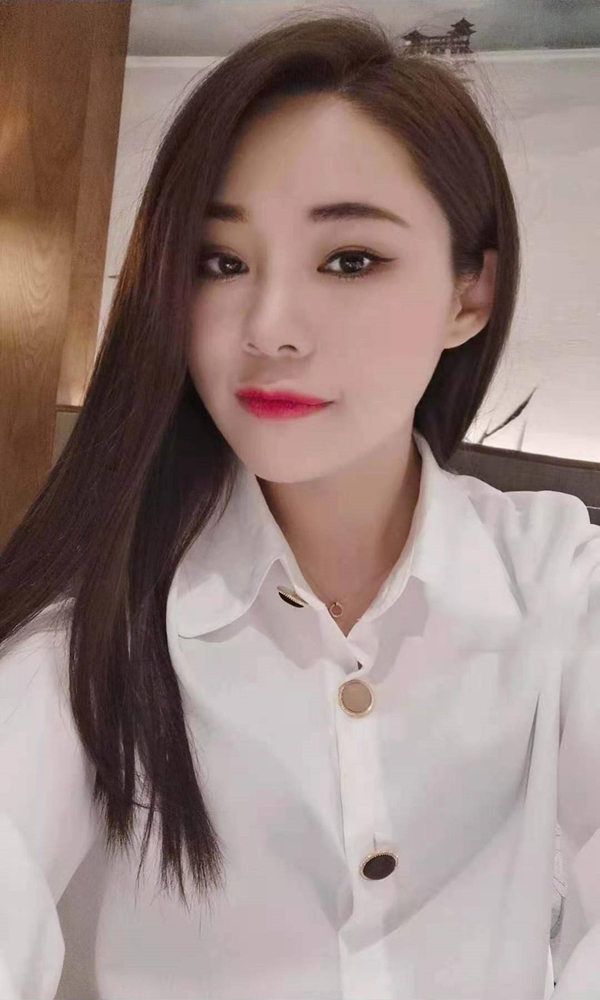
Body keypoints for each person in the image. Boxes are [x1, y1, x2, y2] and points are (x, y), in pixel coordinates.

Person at [0, 11, 599, 1000]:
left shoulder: (559, 584)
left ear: (470, 293)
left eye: (350, 259)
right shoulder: (90, 632)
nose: (270, 327)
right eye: (221, 261)